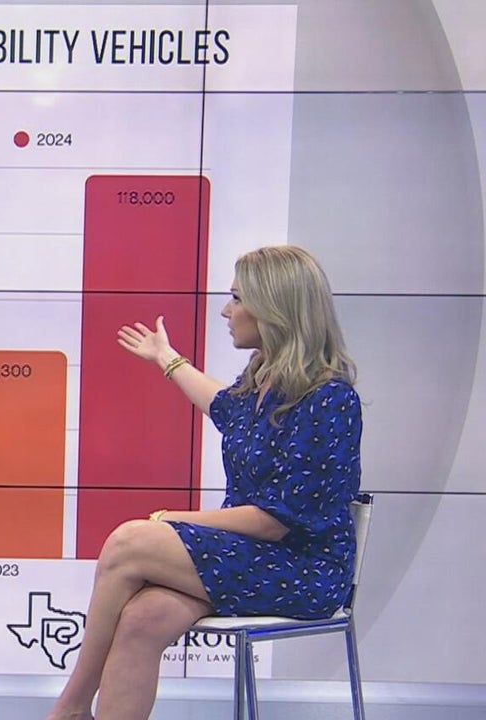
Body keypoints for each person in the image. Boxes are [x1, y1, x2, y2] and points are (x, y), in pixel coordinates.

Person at [45, 245, 362, 720]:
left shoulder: (330, 400)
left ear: (273, 307)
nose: (226, 311)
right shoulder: (262, 383)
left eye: (237, 299)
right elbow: (221, 405)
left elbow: (277, 521)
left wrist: (177, 518)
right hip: (249, 556)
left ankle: (71, 706)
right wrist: (166, 358)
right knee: (142, 619)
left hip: (303, 569)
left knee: (130, 543)